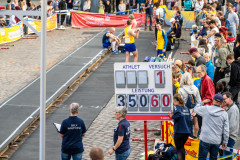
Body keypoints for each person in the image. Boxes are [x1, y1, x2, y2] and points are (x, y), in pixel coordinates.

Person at [193, 94, 229, 160]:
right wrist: (225, 142)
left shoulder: (206, 109)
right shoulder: (224, 113)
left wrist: (202, 102)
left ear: (213, 100)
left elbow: (195, 109)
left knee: (202, 158)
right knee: (213, 158)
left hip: (205, 139)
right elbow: (226, 130)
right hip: (216, 140)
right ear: (221, 102)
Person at [178, 72, 202, 138]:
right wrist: (195, 111)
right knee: (194, 126)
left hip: (184, 112)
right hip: (193, 111)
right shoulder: (195, 88)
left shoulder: (180, 90)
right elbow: (199, 102)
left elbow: (180, 103)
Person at [169, 94, 191, 160]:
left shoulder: (176, 107)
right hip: (187, 131)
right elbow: (190, 119)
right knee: (181, 147)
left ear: (175, 100)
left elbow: (179, 115)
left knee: (178, 149)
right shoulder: (186, 108)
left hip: (179, 131)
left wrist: (172, 116)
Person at [222, 92, 240, 160]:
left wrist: (225, 136)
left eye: (224, 99)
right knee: (226, 155)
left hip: (230, 137)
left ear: (229, 98)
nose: (223, 101)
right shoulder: (229, 108)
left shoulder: (233, 109)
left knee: (227, 156)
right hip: (228, 136)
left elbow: (231, 126)